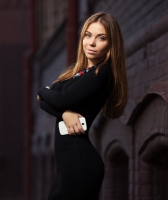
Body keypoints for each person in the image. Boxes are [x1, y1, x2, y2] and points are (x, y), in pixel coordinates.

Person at [37, 12, 128, 200]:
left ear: (111, 44)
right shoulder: (77, 73)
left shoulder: (103, 72)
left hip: (79, 163)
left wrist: (47, 94)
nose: (92, 43)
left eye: (101, 38)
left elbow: (56, 98)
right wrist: (65, 114)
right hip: (67, 164)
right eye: (88, 35)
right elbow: (45, 99)